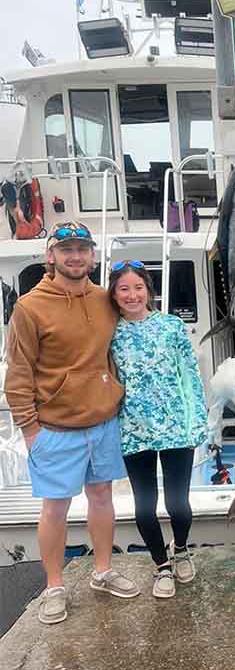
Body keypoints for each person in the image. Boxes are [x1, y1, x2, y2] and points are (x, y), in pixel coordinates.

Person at [4, 221, 139, 625]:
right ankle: (55, 586)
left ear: (92, 256)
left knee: (102, 499)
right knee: (55, 510)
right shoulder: (29, 307)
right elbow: (18, 372)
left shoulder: (104, 299)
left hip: (103, 423)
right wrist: (29, 430)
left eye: (82, 249)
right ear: (51, 256)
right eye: (66, 250)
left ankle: (102, 571)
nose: (75, 256)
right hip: (55, 428)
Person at [108, 261, 207, 599]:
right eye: (124, 288)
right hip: (134, 431)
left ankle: (181, 548)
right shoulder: (110, 333)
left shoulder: (172, 326)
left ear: (148, 290)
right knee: (144, 506)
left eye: (138, 287)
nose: (132, 295)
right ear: (114, 294)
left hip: (177, 427)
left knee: (178, 503)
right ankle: (161, 564)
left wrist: (197, 421)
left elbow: (190, 376)